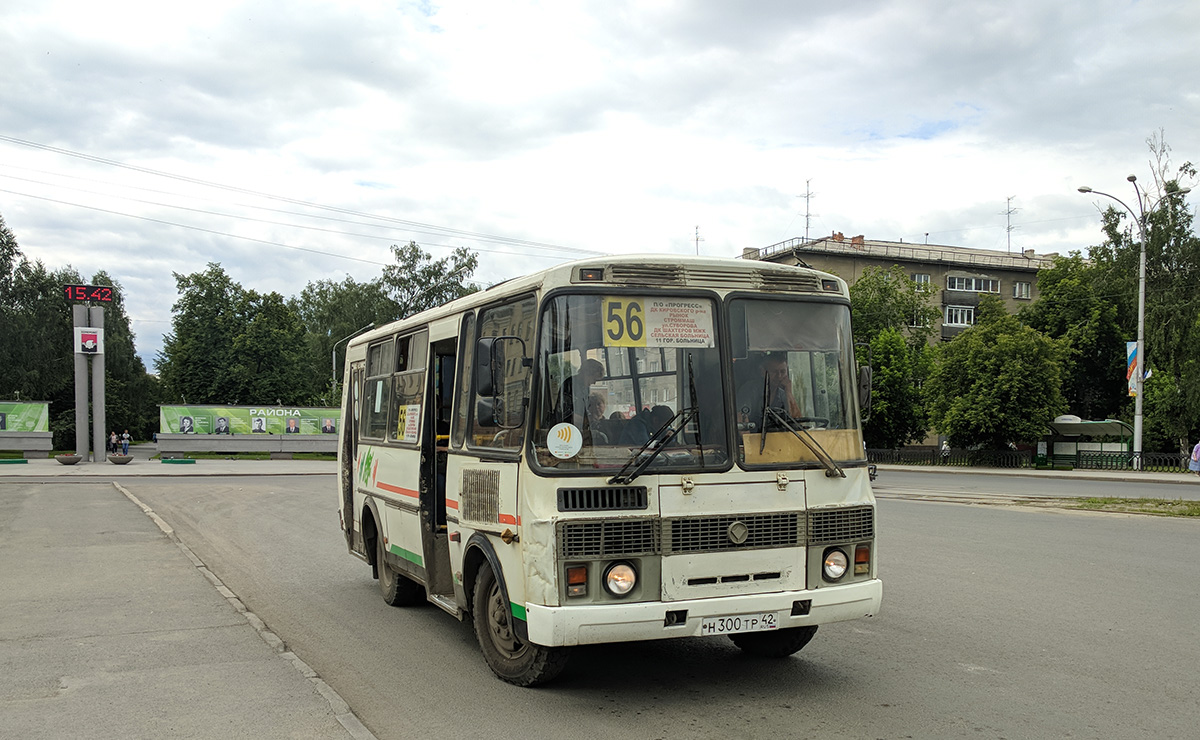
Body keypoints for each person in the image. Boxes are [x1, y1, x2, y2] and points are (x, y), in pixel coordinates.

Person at [735, 353, 801, 429]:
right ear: (762, 372)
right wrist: (749, 440)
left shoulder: (783, 394)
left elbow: (798, 423)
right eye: (774, 372)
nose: (779, 376)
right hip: (755, 438)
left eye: (782, 372)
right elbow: (741, 420)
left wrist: (789, 392)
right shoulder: (749, 390)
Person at [556, 358, 606, 427]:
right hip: (566, 428)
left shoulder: (586, 388)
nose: (594, 383)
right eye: (594, 379)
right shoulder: (569, 385)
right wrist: (586, 419)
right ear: (587, 373)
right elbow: (563, 414)